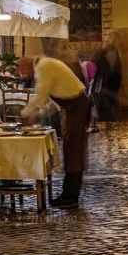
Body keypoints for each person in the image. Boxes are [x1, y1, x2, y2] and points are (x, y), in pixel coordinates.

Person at [21, 56, 89, 208]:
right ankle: (68, 194)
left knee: (74, 153)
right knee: (70, 152)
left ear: (27, 65)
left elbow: (41, 95)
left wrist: (25, 114)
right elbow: (49, 101)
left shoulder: (43, 68)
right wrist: (38, 115)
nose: (23, 74)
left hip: (76, 108)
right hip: (73, 109)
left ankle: (70, 197)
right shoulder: (45, 65)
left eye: (23, 70)